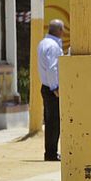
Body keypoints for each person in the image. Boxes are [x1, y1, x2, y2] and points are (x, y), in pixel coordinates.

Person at [38, 20, 64, 161]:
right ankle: (51, 153)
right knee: (54, 122)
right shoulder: (53, 45)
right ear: (59, 30)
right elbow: (52, 68)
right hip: (52, 88)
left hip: (46, 86)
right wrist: (56, 87)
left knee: (50, 121)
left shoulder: (43, 43)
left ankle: (51, 151)